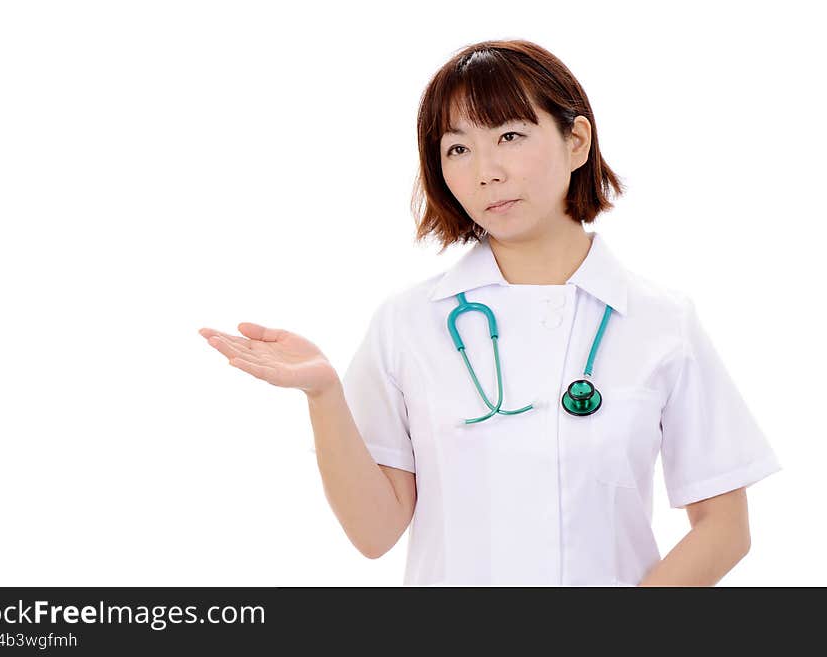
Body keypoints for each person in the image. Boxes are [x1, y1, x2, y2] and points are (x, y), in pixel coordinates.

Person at [199, 39, 782, 586]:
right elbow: (374, 534)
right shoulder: (408, 323)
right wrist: (324, 396)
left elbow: (724, 527)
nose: (485, 171)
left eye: (508, 136)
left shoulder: (661, 322)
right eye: (457, 148)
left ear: (576, 142)